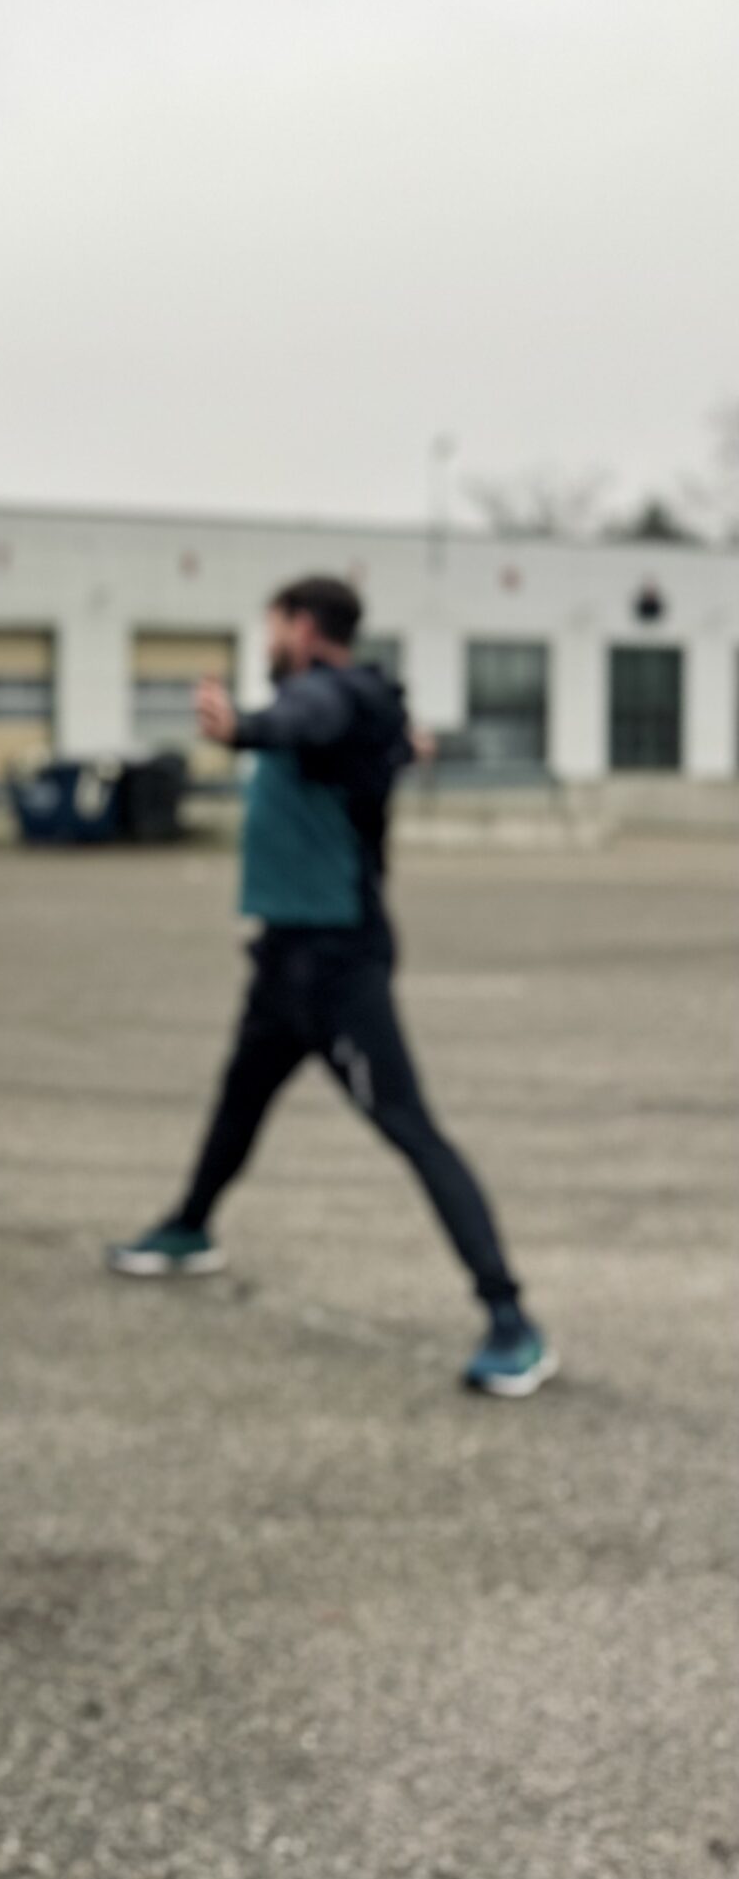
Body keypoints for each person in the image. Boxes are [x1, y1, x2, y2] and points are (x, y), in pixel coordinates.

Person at [107, 575, 555, 1398]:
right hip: (282, 963)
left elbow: (311, 718)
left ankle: (512, 1320)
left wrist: (243, 727)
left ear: (304, 628)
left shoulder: (333, 696)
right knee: (238, 1102)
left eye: (274, 625)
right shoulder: (354, 706)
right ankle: (190, 1227)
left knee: (413, 1130)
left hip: (338, 968)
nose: (268, 641)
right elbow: (341, 733)